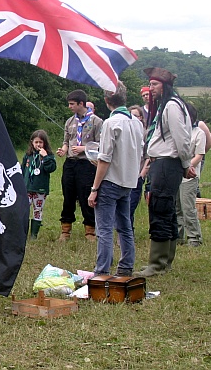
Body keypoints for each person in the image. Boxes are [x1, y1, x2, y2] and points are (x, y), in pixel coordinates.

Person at [135, 67, 194, 278]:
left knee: (160, 207)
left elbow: (182, 138)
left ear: (165, 86)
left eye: (154, 84)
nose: (151, 89)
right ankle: (165, 261)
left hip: (168, 163)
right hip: (163, 163)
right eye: (150, 84)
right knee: (166, 210)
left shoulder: (172, 106)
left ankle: (157, 263)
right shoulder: (169, 105)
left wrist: (186, 164)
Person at [87, 81, 144, 277]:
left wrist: (94, 189)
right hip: (128, 181)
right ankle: (126, 266)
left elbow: (104, 159)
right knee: (124, 226)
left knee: (104, 229)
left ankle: (102, 270)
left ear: (106, 100)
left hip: (110, 182)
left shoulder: (110, 123)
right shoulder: (136, 122)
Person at [56, 89, 102, 241]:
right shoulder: (70, 121)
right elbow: (66, 141)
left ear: (81, 103)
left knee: (85, 197)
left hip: (86, 164)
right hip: (70, 163)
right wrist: (63, 150)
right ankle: (65, 229)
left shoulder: (96, 121)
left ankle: (90, 230)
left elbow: (101, 145)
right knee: (68, 196)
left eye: (72, 104)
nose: (69, 107)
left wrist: (84, 148)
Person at [175, 102, 206, 247]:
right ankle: (178, 235)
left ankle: (194, 238)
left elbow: (199, 155)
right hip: (175, 176)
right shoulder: (179, 132)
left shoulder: (198, 133)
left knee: (188, 209)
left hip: (190, 177)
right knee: (177, 208)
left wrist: (187, 167)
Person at [21, 130, 57, 240]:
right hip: (27, 188)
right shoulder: (28, 156)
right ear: (32, 142)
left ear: (45, 143)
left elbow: (51, 168)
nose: (38, 145)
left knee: (38, 210)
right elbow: (23, 170)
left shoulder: (49, 156)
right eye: (36, 142)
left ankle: (34, 235)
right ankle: (23, 233)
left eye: (41, 142)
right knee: (23, 210)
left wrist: (45, 157)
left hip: (40, 189)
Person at [128, 105, 148, 227]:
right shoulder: (126, 131)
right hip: (125, 174)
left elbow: (148, 156)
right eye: (131, 116)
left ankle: (127, 234)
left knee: (131, 205)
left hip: (138, 174)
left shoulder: (145, 133)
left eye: (136, 116)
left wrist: (142, 174)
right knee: (124, 207)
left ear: (141, 118)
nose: (133, 118)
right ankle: (124, 233)